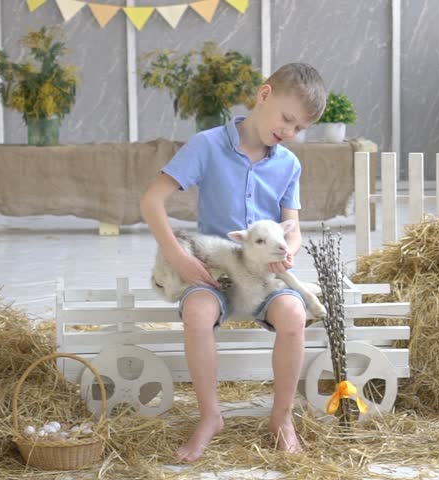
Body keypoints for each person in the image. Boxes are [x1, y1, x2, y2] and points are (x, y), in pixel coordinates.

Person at [140, 63, 327, 462]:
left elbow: (292, 227)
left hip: (264, 275)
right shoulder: (207, 145)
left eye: (299, 128)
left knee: (294, 314)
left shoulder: (288, 164)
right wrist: (180, 258)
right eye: (287, 119)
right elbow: (151, 201)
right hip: (214, 271)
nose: (289, 132)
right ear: (264, 95)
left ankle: (281, 418)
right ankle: (210, 416)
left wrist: (288, 247)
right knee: (196, 311)